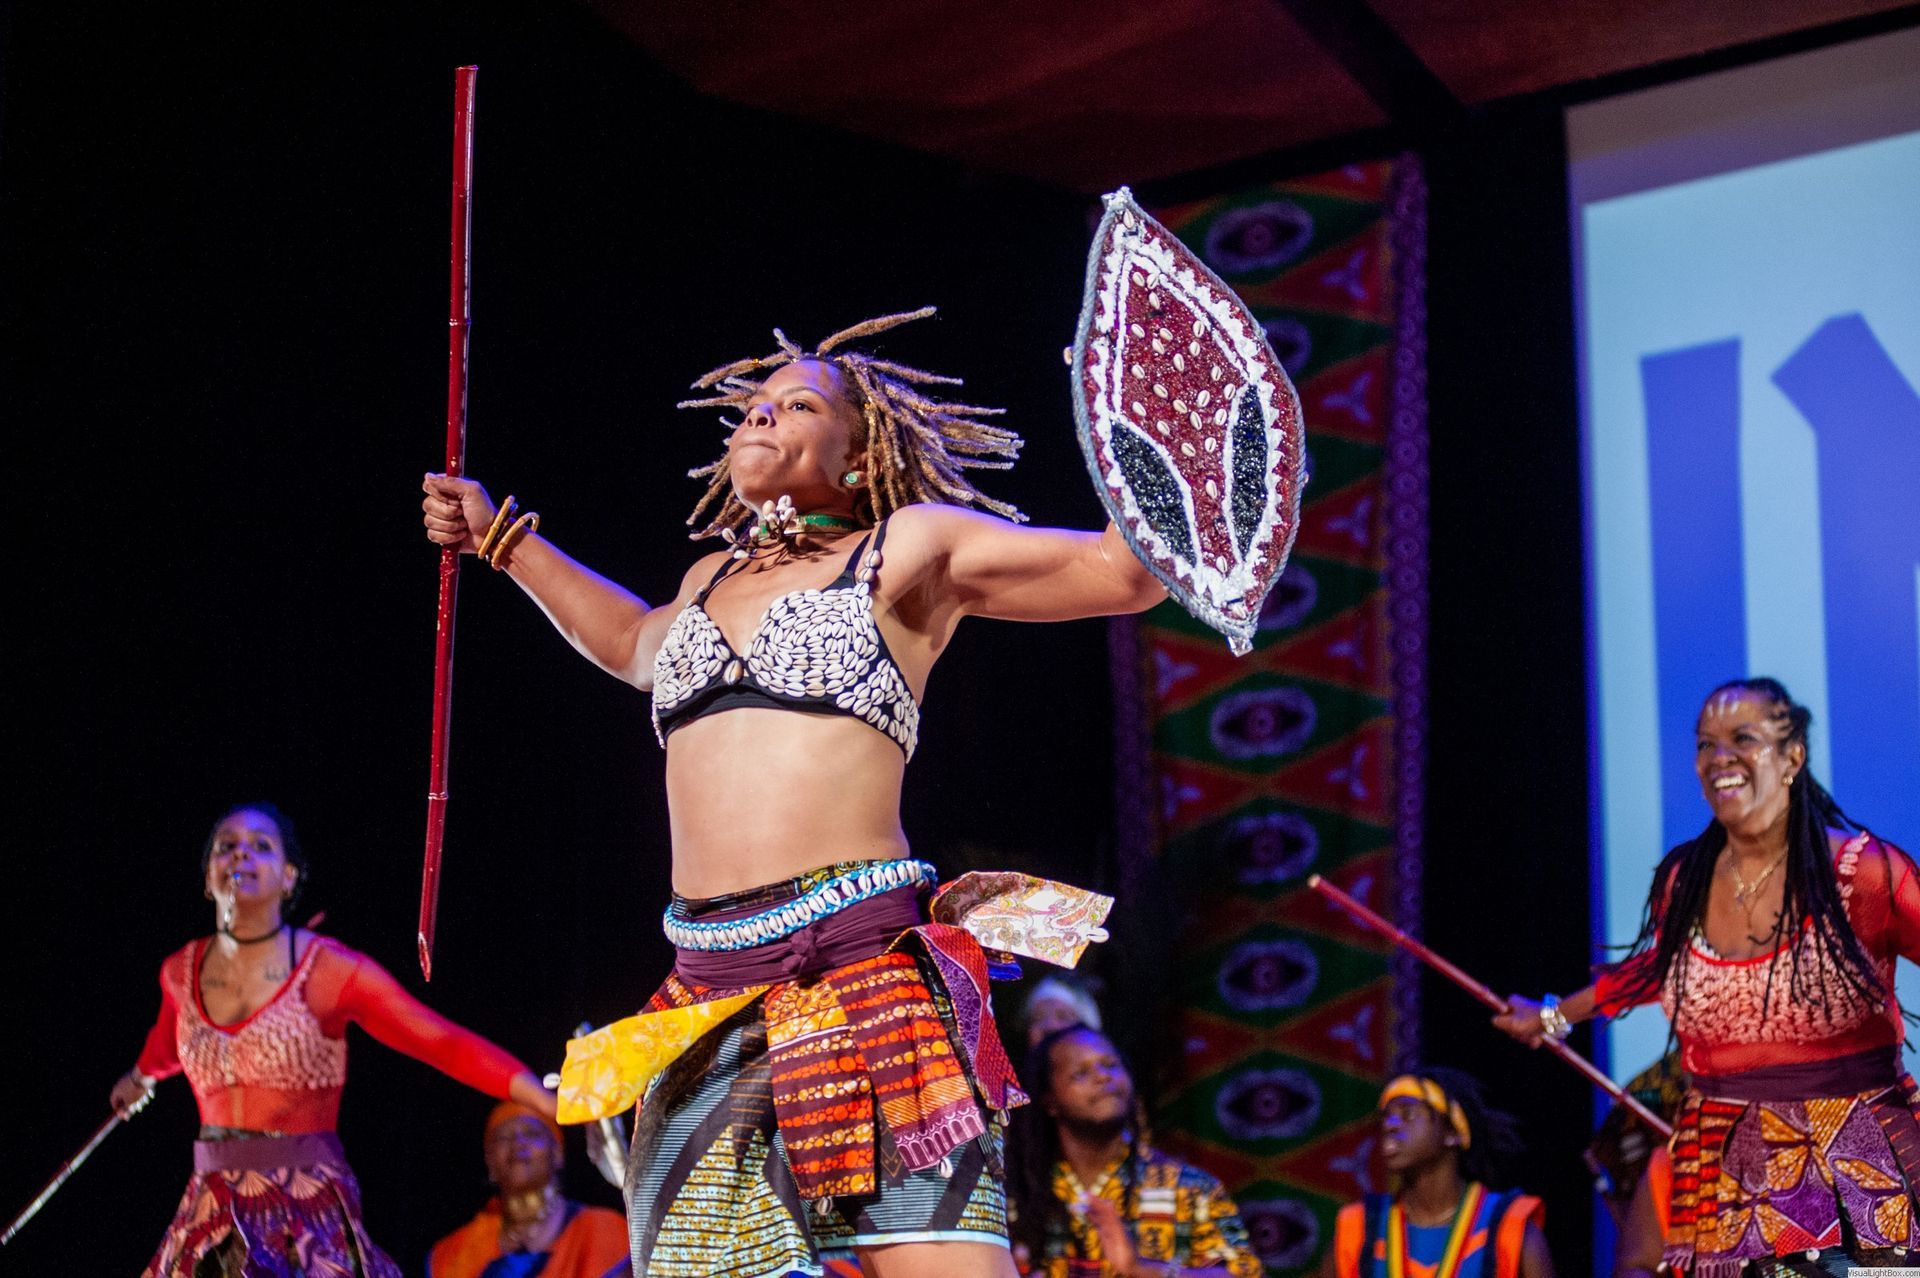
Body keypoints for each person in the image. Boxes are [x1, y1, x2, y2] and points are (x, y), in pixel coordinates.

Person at [419, 308, 1165, 1278]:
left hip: (864, 971)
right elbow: (630, 645)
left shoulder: (904, 551)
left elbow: (1118, 572)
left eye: (797, 404)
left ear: (859, 459)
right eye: (753, 409)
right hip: (705, 995)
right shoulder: (704, 581)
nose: (760, 420)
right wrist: (500, 543)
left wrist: (1138, 422)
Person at [1494, 677, 1920, 1274]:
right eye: (1704, 744)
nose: (1719, 758)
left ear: (1792, 755)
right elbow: (1655, 969)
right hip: (1724, 1162)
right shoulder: (1685, 881)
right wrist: (1554, 1015)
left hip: (1853, 1159)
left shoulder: (1864, 872)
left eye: (1742, 739)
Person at [111, 803, 558, 1278]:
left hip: (304, 1207)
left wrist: (547, 1102)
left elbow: (441, 1042)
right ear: (208, 878)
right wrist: (138, 1078)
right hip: (210, 1206)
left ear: (288, 878)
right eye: (227, 847)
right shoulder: (179, 971)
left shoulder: (329, 970)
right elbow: (166, 1045)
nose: (240, 856)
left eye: (260, 847)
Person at [1008, 1024, 1262, 1278]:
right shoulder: (1019, 1195)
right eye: (1080, 1073)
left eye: (1111, 1065)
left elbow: (1246, 1275)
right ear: (1049, 1101)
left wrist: (1143, 1268)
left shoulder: (1190, 1188)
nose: (1103, 1076)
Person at [1321, 1069, 1553, 1278]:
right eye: (1387, 1116)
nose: (1390, 1125)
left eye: (1408, 1114)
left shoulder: (1509, 1226)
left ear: (1453, 1132)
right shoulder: (1359, 1229)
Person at [426, 1101, 628, 1278]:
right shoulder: (452, 1255)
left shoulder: (606, 1231)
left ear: (557, 1153)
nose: (518, 1144)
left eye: (532, 1134)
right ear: (489, 1161)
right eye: (504, 1137)